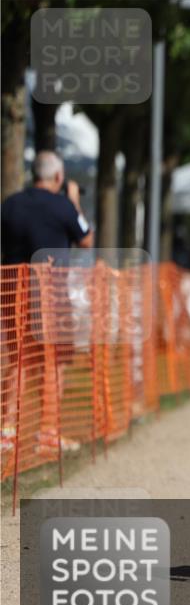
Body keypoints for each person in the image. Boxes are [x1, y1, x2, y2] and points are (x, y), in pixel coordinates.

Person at [1, 151, 93, 454]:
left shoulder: (10, 205)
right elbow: (86, 238)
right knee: (54, 360)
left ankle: (7, 432)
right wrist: (75, 199)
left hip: (13, 292)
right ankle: (48, 430)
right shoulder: (64, 205)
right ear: (58, 177)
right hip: (51, 294)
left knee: (18, 361)